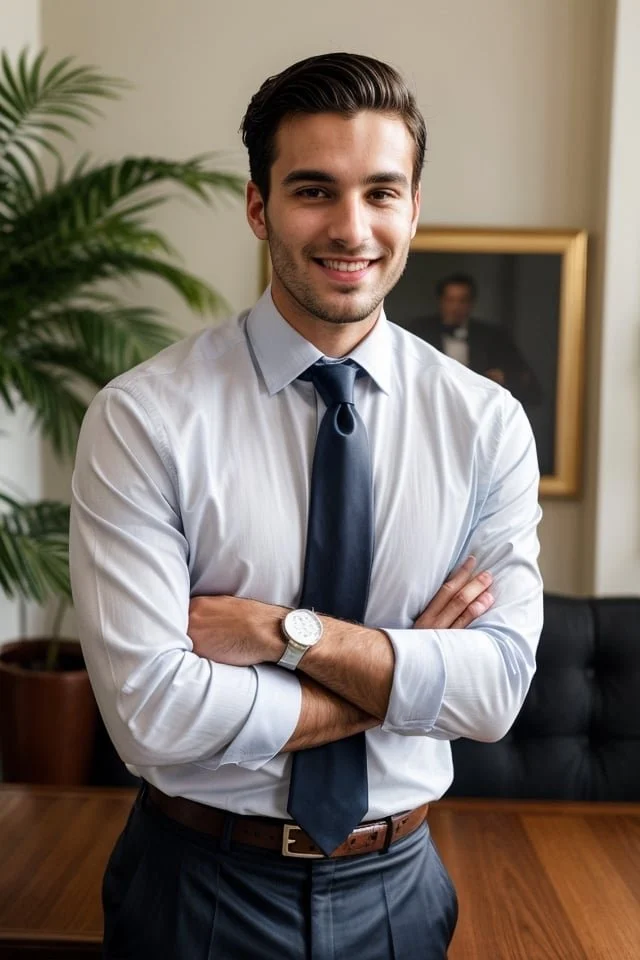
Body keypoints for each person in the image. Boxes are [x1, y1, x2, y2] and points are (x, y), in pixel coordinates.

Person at [69, 52, 543, 960]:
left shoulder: (486, 425)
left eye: (381, 192)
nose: (351, 227)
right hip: (195, 887)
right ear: (259, 207)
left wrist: (288, 634)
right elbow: (153, 714)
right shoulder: (144, 418)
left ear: (413, 208)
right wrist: (406, 672)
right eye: (314, 191)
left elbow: (492, 695)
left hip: (399, 888)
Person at [408, 272, 543, 406]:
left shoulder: (493, 336)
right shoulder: (418, 332)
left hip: (479, 407)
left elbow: (527, 382)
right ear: (440, 301)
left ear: (472, 303)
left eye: (462, 301)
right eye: (450, 300)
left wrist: (503, 378)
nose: (456, 307)